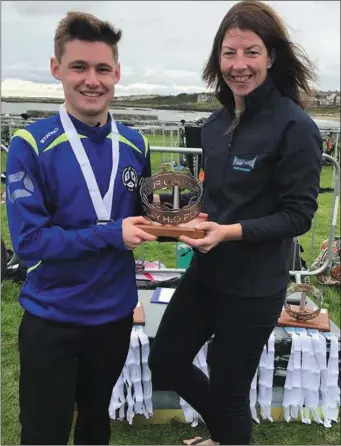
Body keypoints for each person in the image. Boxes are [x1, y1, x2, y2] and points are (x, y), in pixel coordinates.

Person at [148, 1, 323, 445]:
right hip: (206, 273)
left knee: (228, 393)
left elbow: (299, 215)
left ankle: (225, 435)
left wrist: (229, 232)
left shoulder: (295, 127)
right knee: (165, 360)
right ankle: (227, 434)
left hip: (254, 287)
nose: (238, 65)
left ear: (271, 57)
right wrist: (193, 220)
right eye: (229, 53)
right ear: (217, 57)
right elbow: (221, 197)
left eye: (251, 52)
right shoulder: (215, 124)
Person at [6, 11, 156, 445]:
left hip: (112, 316)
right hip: (53, 318)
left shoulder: (136, 143)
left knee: (95, 424)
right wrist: (111, 234)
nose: (92, 80)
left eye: (102, 68)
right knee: (44, 433)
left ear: (117, 73)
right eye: (79, 67)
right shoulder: (30, 143)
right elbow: (30, 243)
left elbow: (144, 212)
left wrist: (173, 216)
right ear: (57, 70)